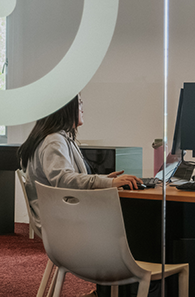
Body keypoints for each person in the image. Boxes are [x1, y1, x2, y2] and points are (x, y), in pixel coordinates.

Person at [17, 95, 142, 228]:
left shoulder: (62, 138)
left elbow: (67, 177)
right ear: (65, 108)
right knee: (134, 215)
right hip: (62, 217)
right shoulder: (54, 141)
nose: (82, 108)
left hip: (63, 212)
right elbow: (64, 180)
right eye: (79, 103)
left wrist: (105, 179)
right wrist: (106, 182)